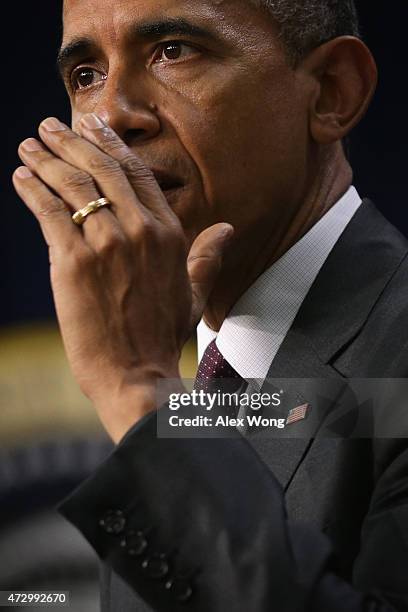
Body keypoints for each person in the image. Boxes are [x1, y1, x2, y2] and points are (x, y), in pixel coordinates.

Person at [12, 0, 408, 610]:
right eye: (86, 74)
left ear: (333, 91)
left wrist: (139, 388)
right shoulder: (197, 375)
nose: (114, 115)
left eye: (174, 51)